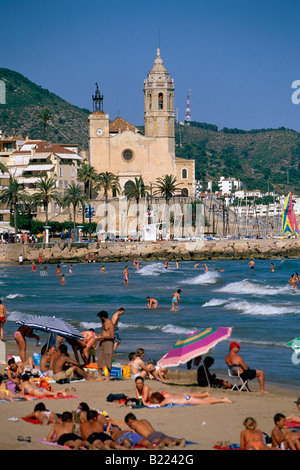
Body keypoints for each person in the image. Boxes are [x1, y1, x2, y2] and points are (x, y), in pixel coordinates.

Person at [95, 311, 115, 381]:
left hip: (108, 342)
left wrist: (101, 337)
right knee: (100, 358)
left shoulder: (110, 323)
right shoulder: (103, 322)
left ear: (103, 316)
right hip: (102, 341)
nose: (100, 318)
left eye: (100, 317)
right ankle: (100, 376)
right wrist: (98, 335)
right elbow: (104, 332)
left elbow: (112, 336)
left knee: (108, 359)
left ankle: (108, 377)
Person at [149, 391, 232, 406]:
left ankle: (223, 400)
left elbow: (159, 405)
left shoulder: (165, 401)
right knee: (205, 400)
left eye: (154, 401)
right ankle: (219, 398)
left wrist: (147, 404)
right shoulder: (165, 399)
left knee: (207, 402)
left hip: (188, 400)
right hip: (187, 399)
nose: (154, 402)